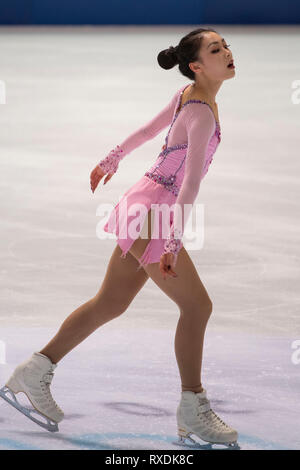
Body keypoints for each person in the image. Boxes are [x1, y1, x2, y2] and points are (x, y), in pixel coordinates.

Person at [0, 28, 238, 447]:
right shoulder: (198, 109)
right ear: (196, 66)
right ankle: (193, 407)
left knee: (110, 302)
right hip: (156, 213)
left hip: (144, 204)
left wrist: (111, 159)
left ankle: (33, 371)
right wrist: (170, 241)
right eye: (215, 49)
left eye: (226, 46)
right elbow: (190, 185)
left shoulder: (189, 97)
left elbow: (147, 133)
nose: (227, 53)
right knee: (197, 306)